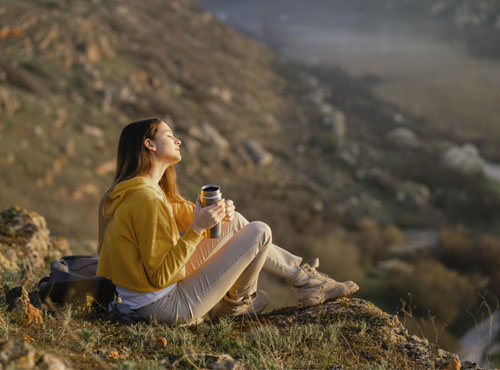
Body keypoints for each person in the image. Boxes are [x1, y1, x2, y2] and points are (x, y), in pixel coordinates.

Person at [97, 117, 359, 325]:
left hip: (149, 294)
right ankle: (238, 304)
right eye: (168, 135)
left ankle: (304, 282)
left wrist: (214, 214)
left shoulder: (142, 190)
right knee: (260, 232)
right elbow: (161, 275)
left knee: (235, 221)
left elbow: (182, 217)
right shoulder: (146, 199)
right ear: (149, 145)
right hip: (163, 306)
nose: (178, 141)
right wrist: (198, 227)